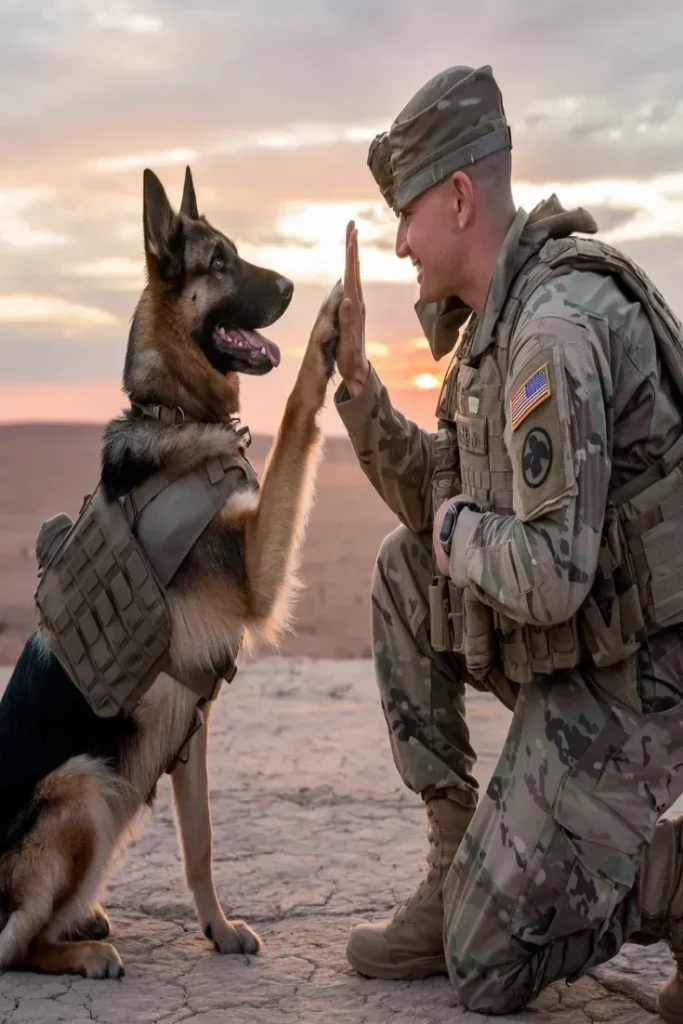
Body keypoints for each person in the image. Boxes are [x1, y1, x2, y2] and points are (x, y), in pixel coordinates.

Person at [332, 63, 683, 1021]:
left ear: (456, 197)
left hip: (642, 676)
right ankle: (455, 861)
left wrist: (455, 528)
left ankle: (669, 883)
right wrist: (360, 393)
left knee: (484, 968)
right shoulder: (498, 325)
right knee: (408, 570)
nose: (399, 239)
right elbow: (444, 504)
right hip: (590, 641)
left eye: (406, 211)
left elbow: (551, 575)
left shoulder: (553, 332)